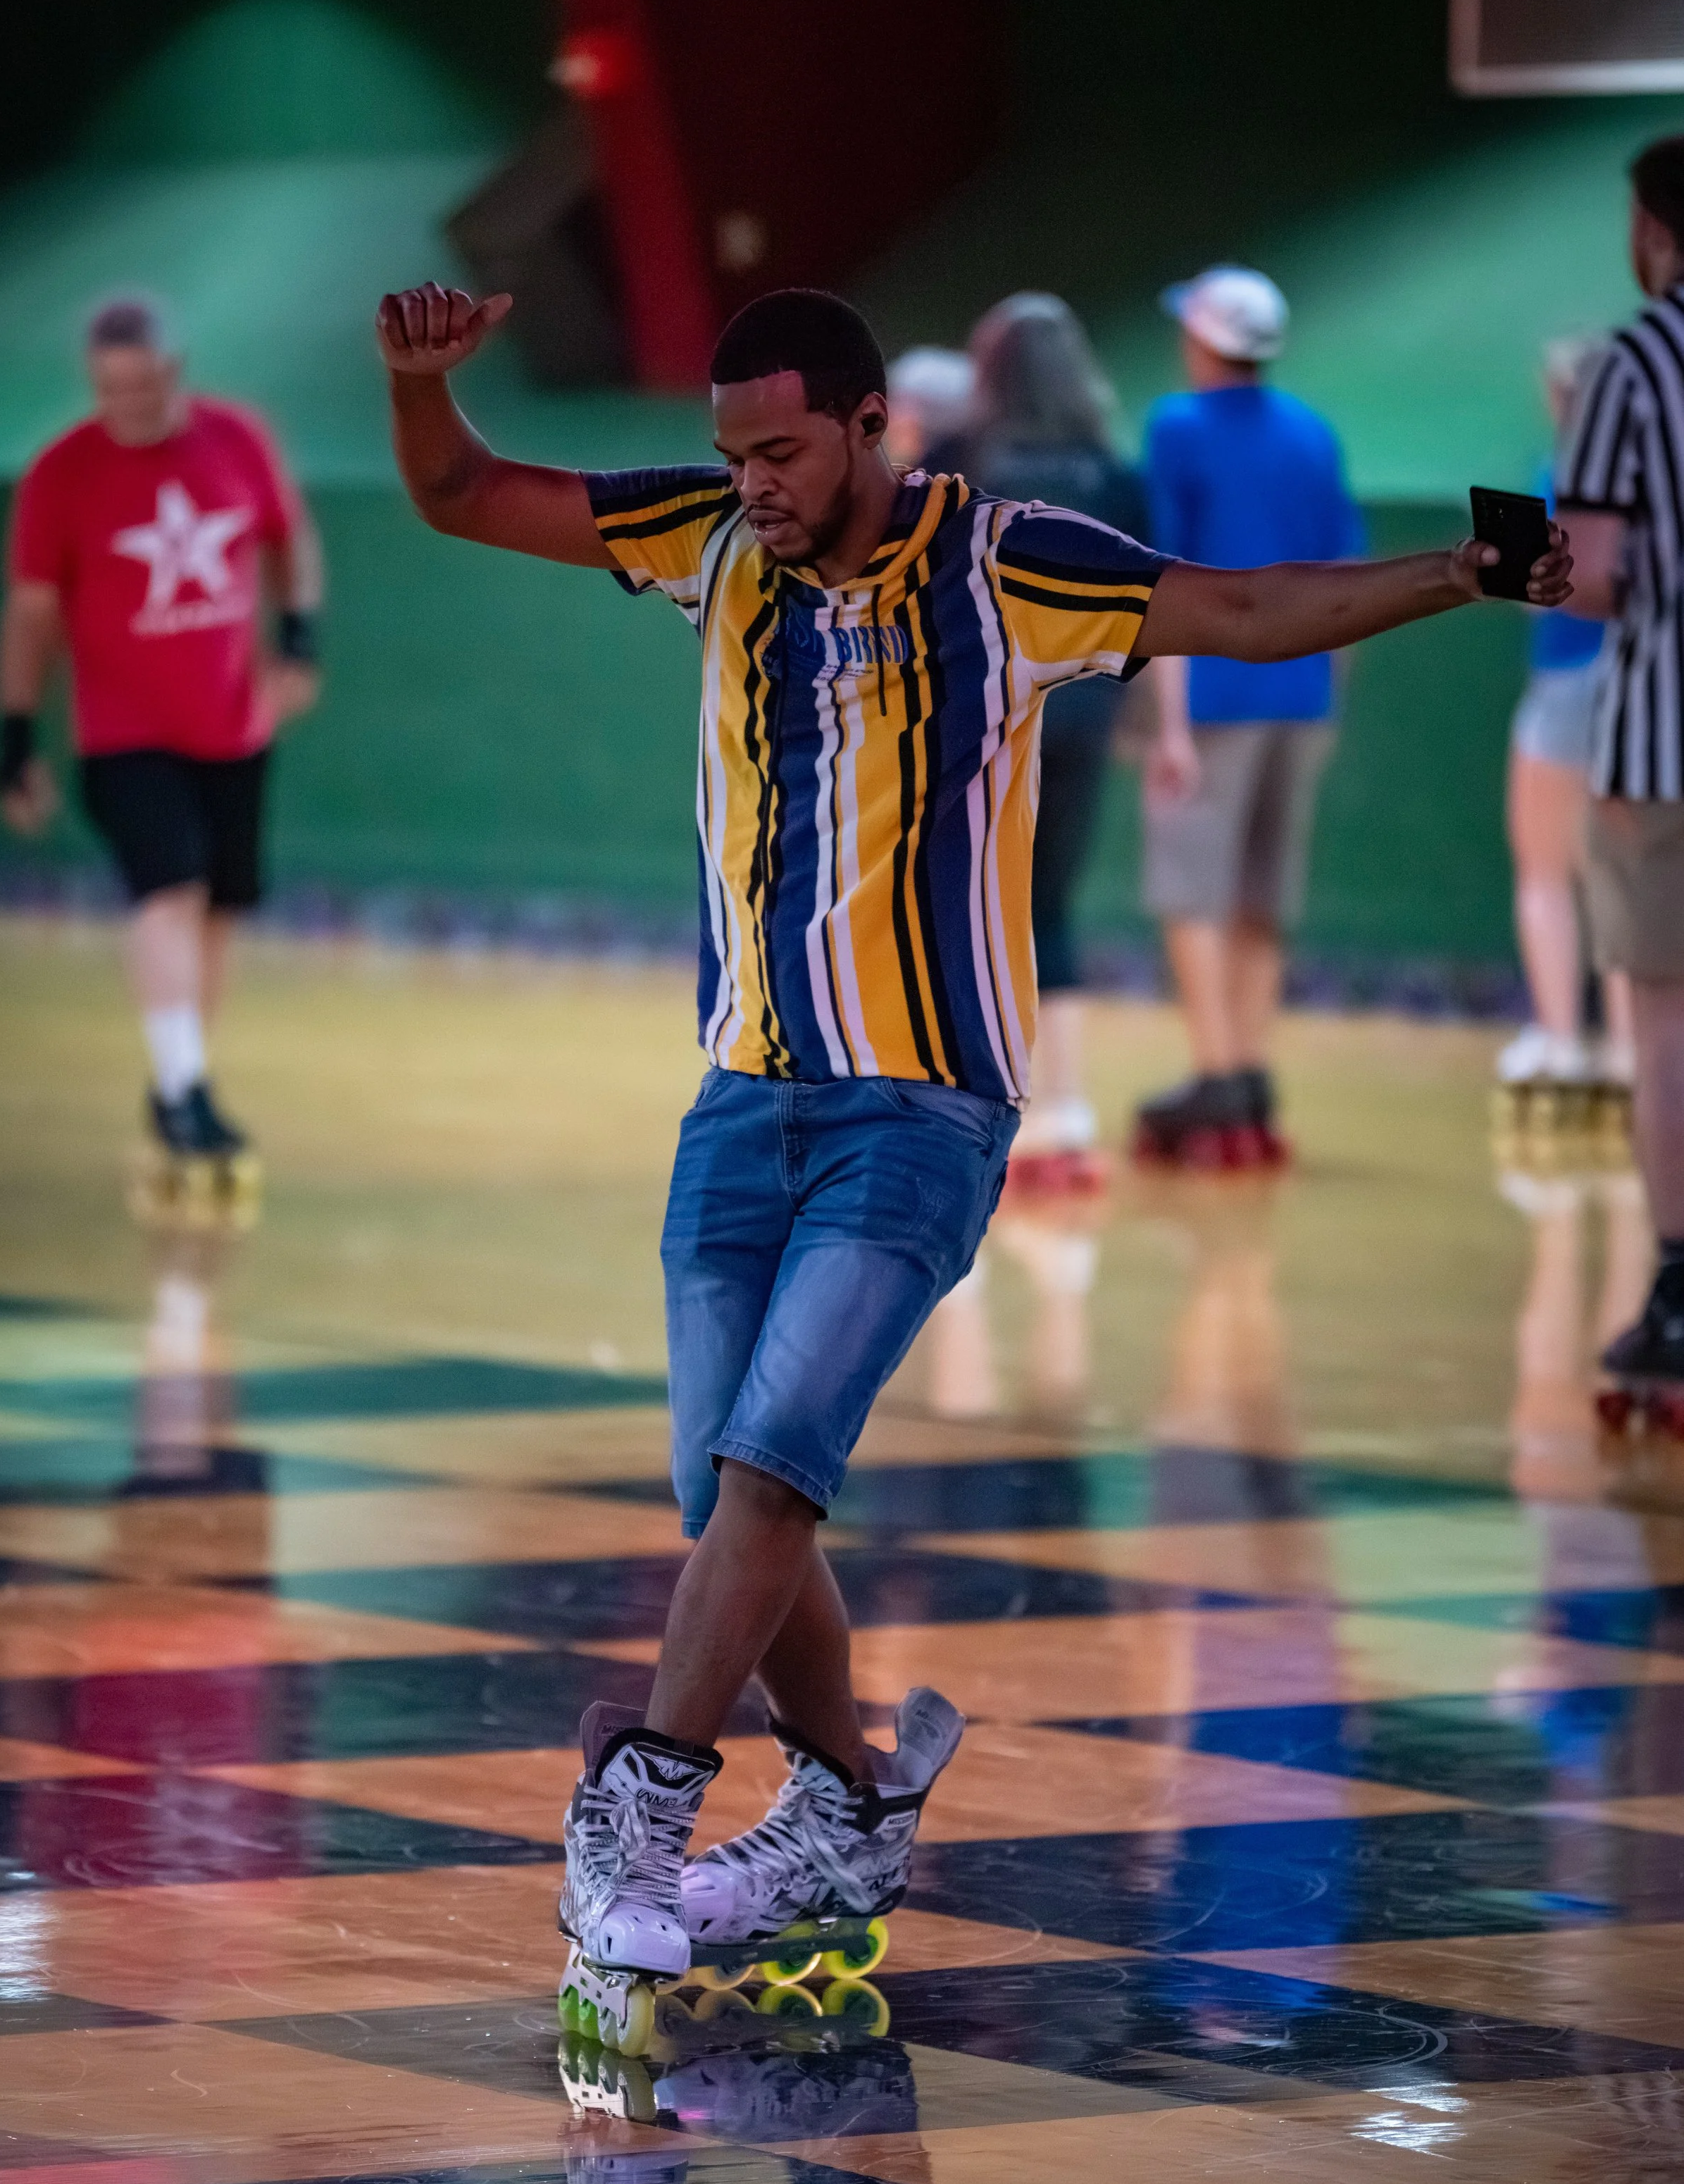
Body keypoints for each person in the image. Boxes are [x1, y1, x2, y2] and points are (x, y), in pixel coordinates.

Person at [375, 275, 1568, 2018]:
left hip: (924, 1108)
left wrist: (1456, 573)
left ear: (875, 424)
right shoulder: (704, 540)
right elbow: (465, 491)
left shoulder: (1008, 562)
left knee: (779, 1466)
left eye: (781, 448)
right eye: (734, 452)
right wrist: (418, 385)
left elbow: (1239, 610)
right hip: (739, 1101)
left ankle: (633, 1813)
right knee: (724, 1496)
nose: (754, 481)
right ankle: (851, 1800)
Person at [0, 297, 323, 1185]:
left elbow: (290, 541)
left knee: (218, 904)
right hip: (123, 734)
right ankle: (182, 1092)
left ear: (174, 371)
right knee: (166, 887)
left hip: (233, 722)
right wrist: (16, 731)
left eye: (140, 385)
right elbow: (31, 612)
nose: (125, 405)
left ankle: (184, 1080)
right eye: (108, 389)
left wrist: (298, 636)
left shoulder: (237, 439)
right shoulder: (60, 474)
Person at [1135, 265, 1366, 1167]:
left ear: (1203, 341)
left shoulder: (1175, 427)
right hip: (1302, 695)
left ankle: (1216, 1074)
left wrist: (1172, 728)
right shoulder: (1313, 433)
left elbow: (1166, 578)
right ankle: (1252, 1080)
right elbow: (1345, 580)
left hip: (1217, 694)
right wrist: (1327, 694)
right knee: (1263, 892)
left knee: (1192, 888)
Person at [925, 292, 1153, 1189]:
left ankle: (962, 1095)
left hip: (978, 715)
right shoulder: (1115, 474)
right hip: (1083, 715)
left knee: (962, 902)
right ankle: (1062, 1109)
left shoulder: (957, 463)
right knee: (1048, 903)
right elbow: (1155, 612)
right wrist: (1159, 730)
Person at [1554, 132, 1684, 1398]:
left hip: (1664, 744)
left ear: (1654, 229)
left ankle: (1681, 1288)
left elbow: (1593, 576)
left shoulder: (1633, 363)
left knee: (1666, 1021)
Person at [1497, 336, 1635, 1115]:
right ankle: (1625, 1052)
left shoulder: (1552, 481)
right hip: (1639, 696)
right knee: (1617, 876)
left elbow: (1529, 591)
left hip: (1563, 692)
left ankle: (1558, 1042)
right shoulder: (1656, 483)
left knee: (1545, 870)